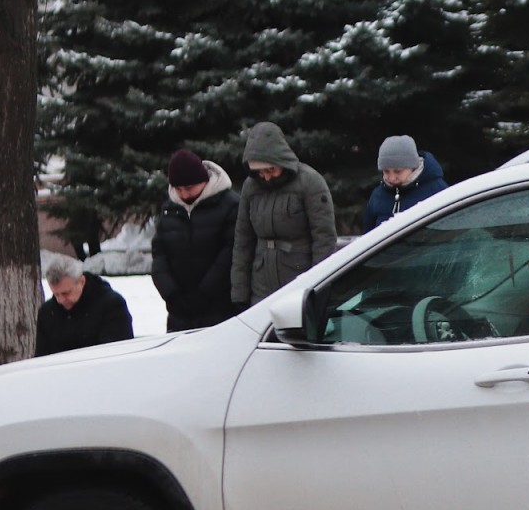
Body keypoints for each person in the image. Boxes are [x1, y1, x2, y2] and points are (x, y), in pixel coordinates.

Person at [230, 122, 337, 306]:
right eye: (260, 171)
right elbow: (243, 241)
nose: (266, 176)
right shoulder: (250, 187)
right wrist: (239, 293)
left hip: (298, 281)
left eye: (270, 169)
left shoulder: (310, 182)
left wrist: (319, 287)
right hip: (261, 285)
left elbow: (324, 239)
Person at [151, 147, 239, 330]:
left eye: (189, 188)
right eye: (178, 189)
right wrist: (171, 294)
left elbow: (229, 254)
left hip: (220, 308)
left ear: (204, 181)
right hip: (179, 312)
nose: (184, 195)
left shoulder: (230, 205)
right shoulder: (170, 210)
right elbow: (160, 256)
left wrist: (203, 294)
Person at [35, 253, 135, 357]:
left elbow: (118, 354)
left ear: (81, 281)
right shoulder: (47, 313)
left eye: (66, 293)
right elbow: (42, 357)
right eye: (56, 294)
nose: (60, 300)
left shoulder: (112, 306)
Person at [362, 135, 447, 232]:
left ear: (413, 167)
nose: (392, 178)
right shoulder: (378, 195)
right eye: (386, 171)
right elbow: (368, 235)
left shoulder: (436, 190)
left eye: (398, 171)